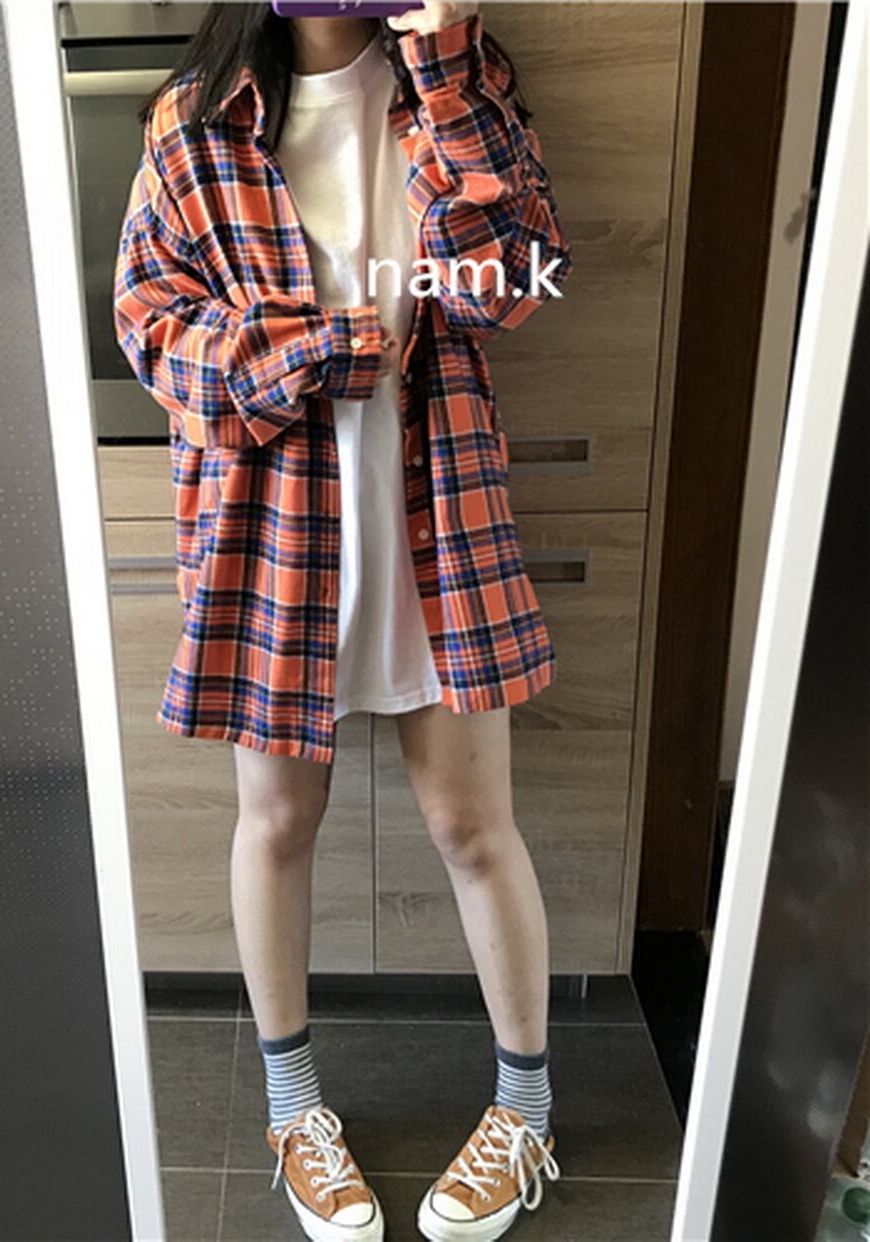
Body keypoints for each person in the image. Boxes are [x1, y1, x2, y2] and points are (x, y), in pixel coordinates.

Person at [114, 2, 571, 1238]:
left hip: (437, 503)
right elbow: (151, 331)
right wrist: (321, 350)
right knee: (277, 820)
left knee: (471, 823)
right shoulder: (195, 121)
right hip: (272, 519)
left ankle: (527, 1111)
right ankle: (292, 1107)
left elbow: (518, 284)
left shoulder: (457, 86)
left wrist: (445, 62)